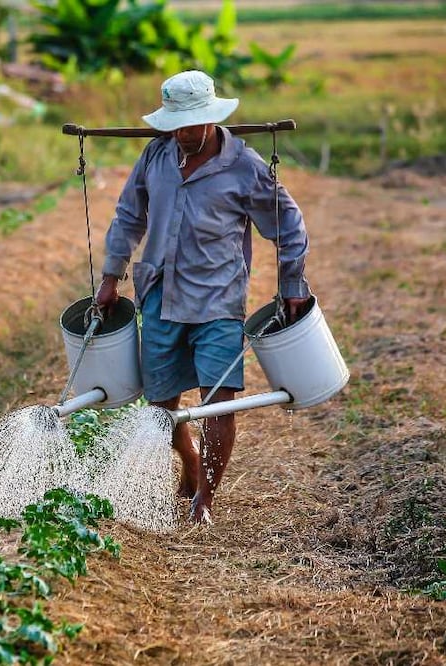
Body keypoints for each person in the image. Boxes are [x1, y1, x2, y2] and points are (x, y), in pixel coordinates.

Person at [94, 70, 311, 525]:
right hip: (160, 295)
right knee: (161, 405)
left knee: (219, 400)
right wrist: (111, 276)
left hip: (218, 299)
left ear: (212, 119)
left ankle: (203, 502)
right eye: (176, 124)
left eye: (192, 125)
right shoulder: (155, 156)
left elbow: (289, 227)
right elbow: (128, 216)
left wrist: (291, 285)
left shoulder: (245, 167)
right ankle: (190, 463)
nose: (183, 134)